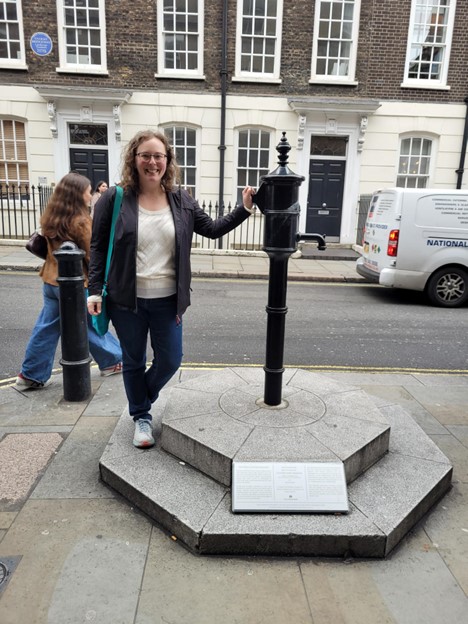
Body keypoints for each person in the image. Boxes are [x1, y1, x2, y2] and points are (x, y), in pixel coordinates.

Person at [87, 129, 256, 449]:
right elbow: (97, 246)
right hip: (127, 300)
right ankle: (141, 418)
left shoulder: (181, 199)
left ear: (168, 161)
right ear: (134, 159)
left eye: (158, 156)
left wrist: (244, 209)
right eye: (145, 156)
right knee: (133, 361)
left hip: (168, 300)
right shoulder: (116, 197)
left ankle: (140, 399)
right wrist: (94, 289)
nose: (152, 162)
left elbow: (213, 230)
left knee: (171, 359)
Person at [16, 172, 123, 390]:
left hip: (51, 282)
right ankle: (112, 361)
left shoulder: (52, 217)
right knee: (90, 324)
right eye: (87, 189)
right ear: (77, 194)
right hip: (77, 285)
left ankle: (30, 374)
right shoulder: (81, 221)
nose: (90, 193)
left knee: (46, 327)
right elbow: (93, 255)